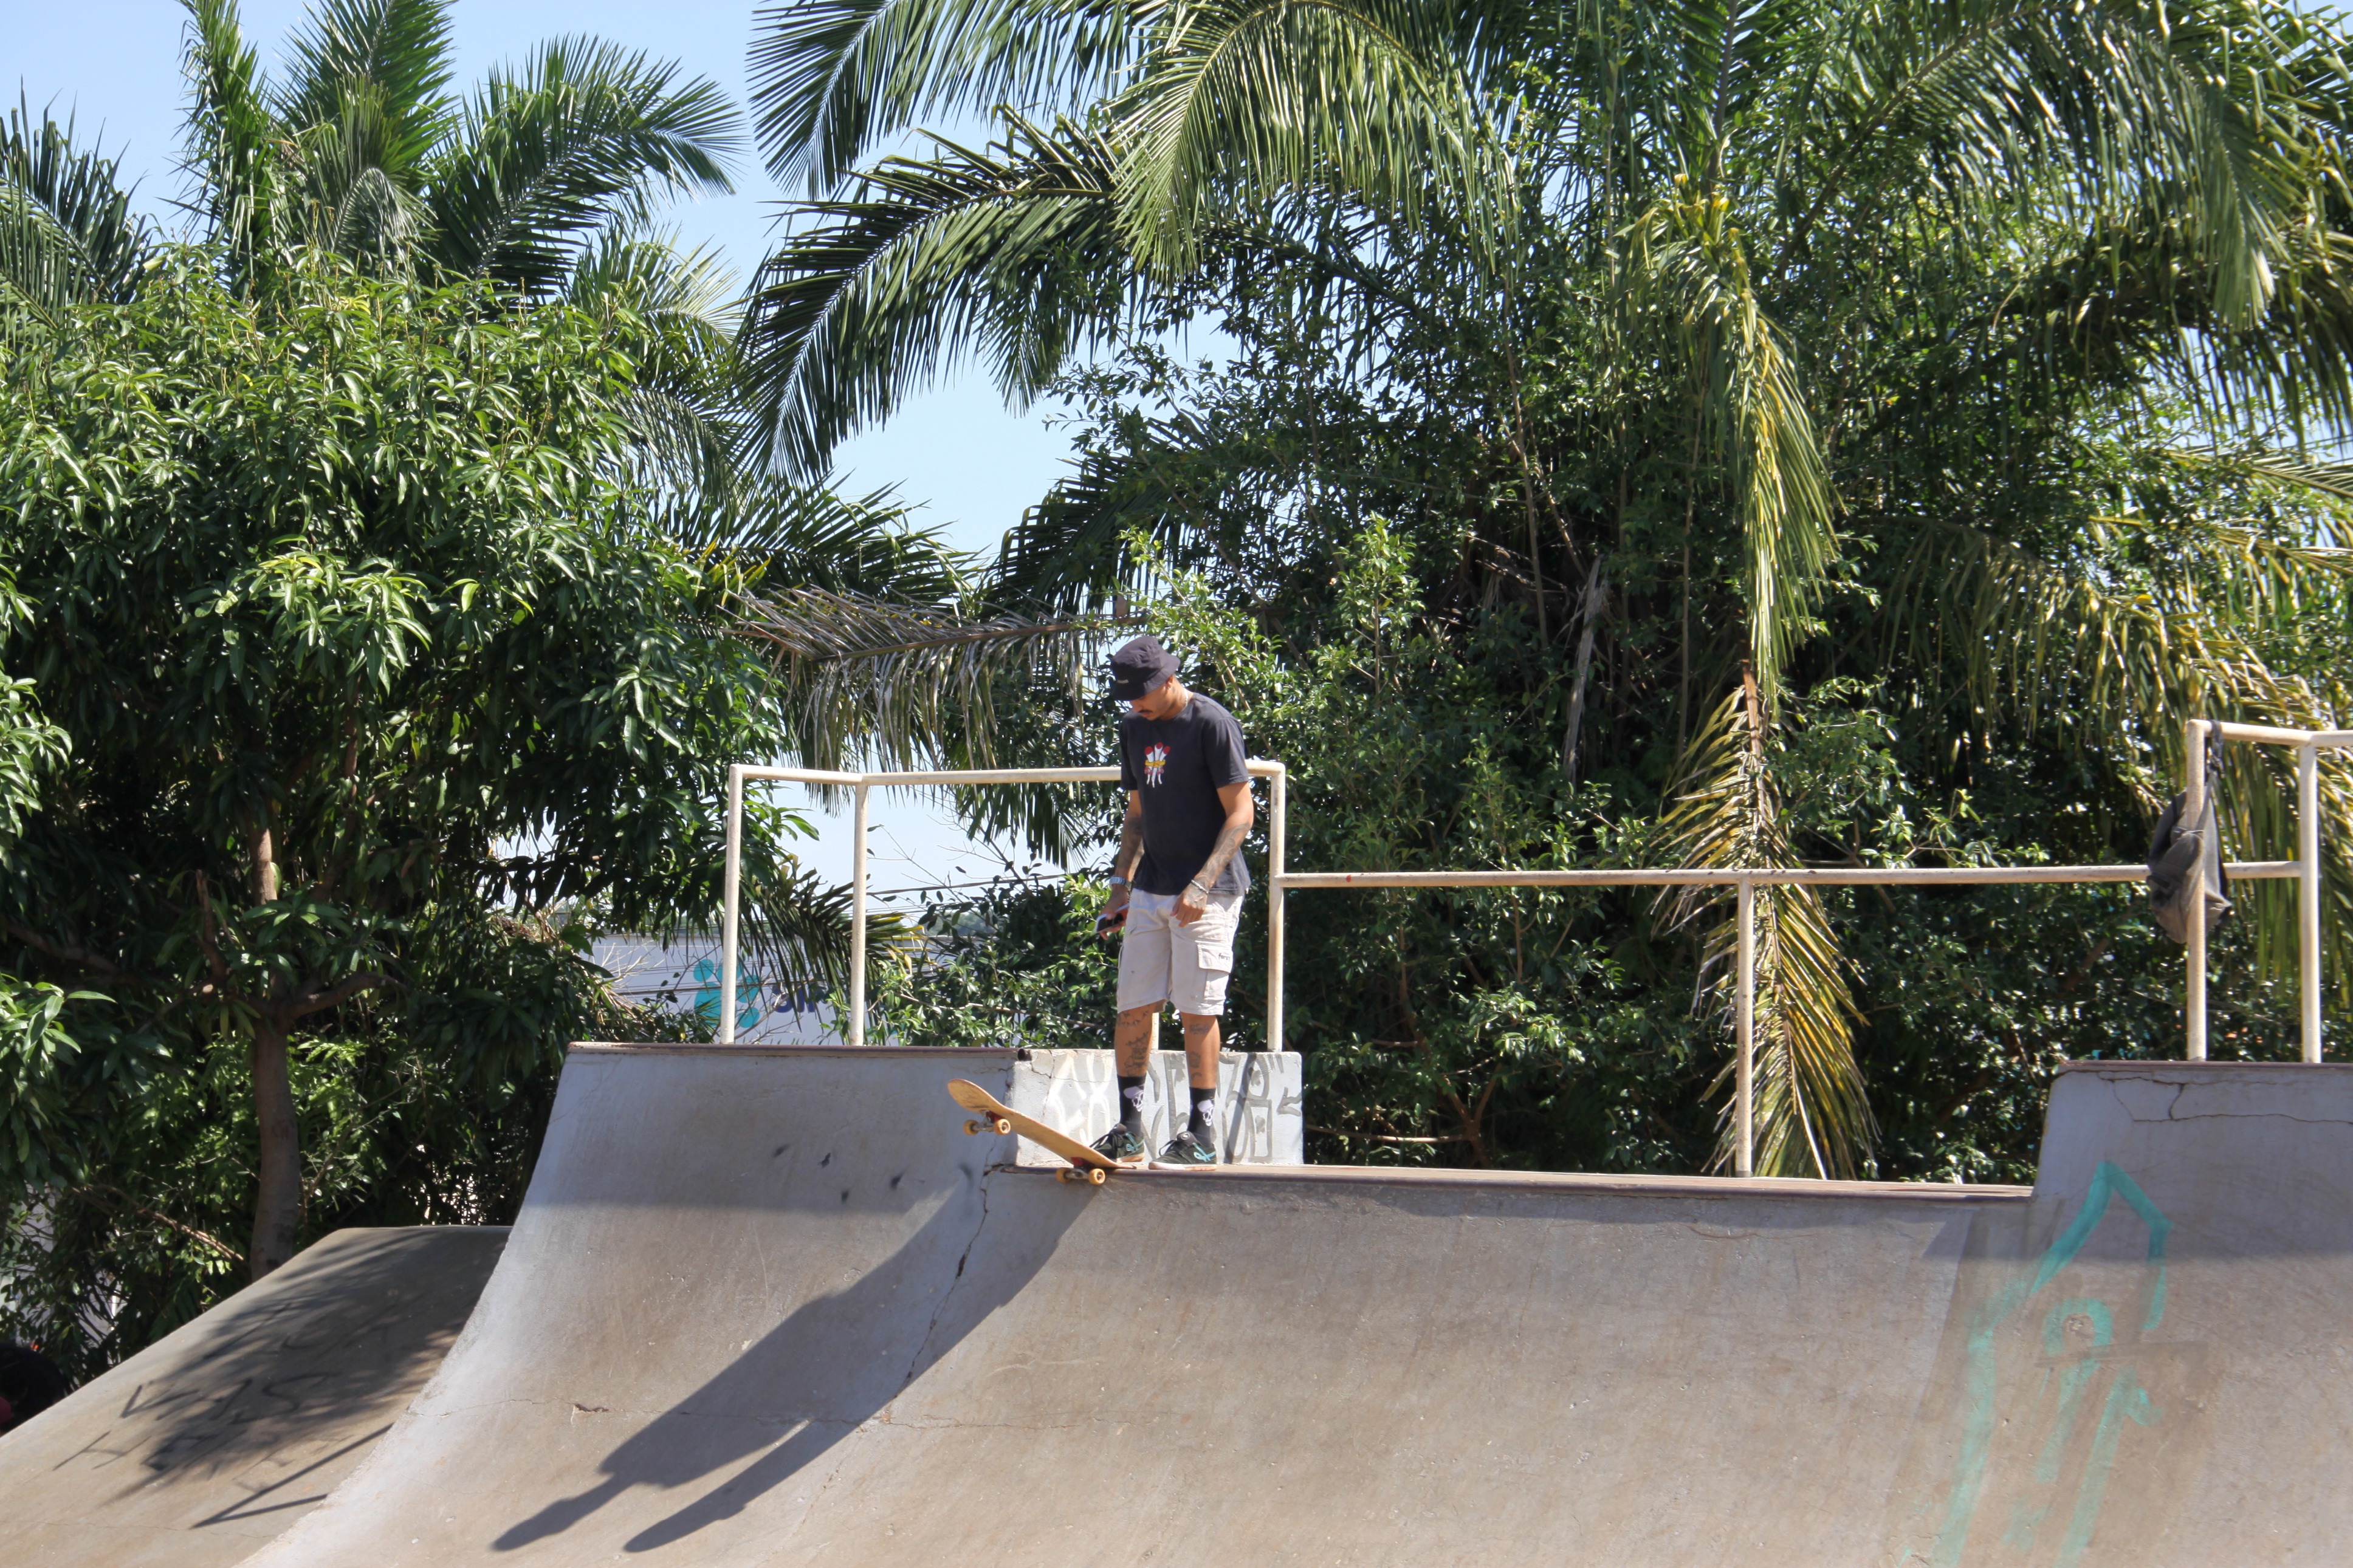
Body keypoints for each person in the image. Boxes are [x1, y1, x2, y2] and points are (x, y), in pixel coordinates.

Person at [1091, 635, 1256, 1166]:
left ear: (1168, 679)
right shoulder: (1134, 727)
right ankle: (1130, 1129)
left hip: (1210, 892)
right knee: (1133, 1005)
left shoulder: (1212, 723)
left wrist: (1202, 883)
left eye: (1141, 692)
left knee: (1197, 1010)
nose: (1134, 703)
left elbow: (1242, 813)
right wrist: (1120, 886)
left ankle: (1202, 1134)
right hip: (1150, 887)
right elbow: (1137, 813)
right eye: (1127, 695)